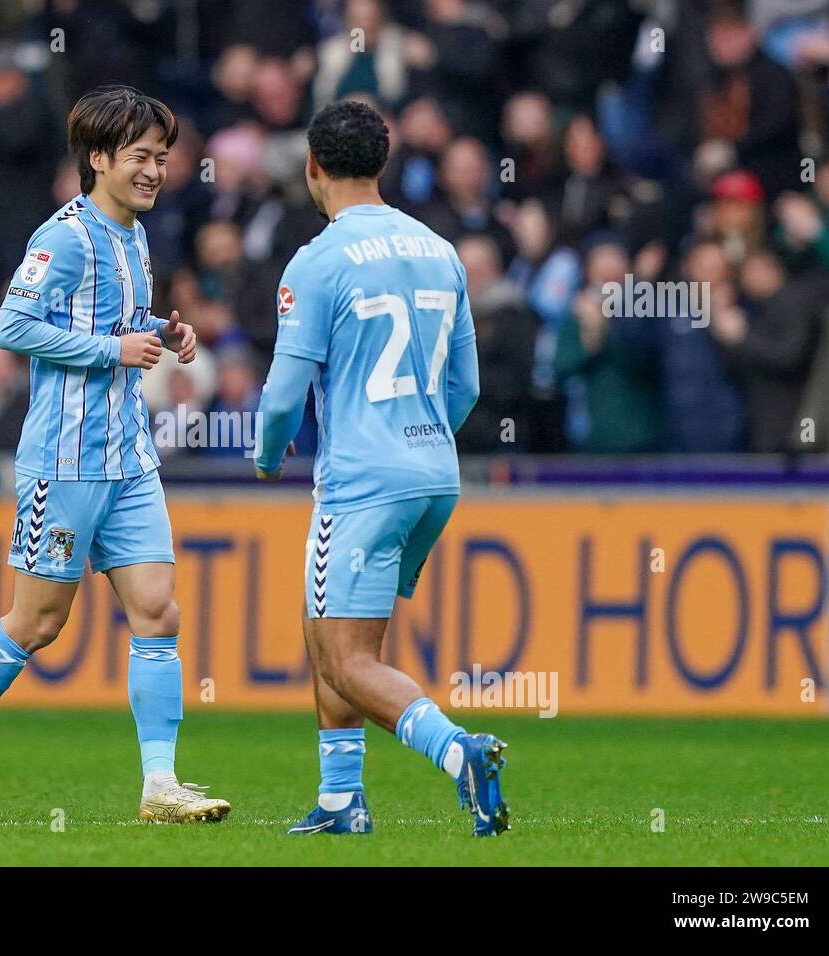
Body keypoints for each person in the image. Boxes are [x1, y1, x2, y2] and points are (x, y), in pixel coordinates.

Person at [0, 86, 231, 826]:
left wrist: (163, 333)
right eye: (141, 157)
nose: (155, 170)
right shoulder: (62, 237)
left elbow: (111, 323)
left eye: (162, 156)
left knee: (157, 611)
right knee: (37, 623)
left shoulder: (133, 235)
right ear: (98, 159)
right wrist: (111, 349)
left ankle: (160, 785)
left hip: (128, 457)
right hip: (64, 461)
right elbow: (11, 327)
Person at [253, 100, 508, 837]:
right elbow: (466, 386)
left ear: (312, 168)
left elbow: (279, 397)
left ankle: (460, 753)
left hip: (364, 480)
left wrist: (269, 459)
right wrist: (421, 441)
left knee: (346, 656)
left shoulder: (317, 260)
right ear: (383, 166)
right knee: (328, 632)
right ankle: (340, 800)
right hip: (435, 473)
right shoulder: (441, 250)